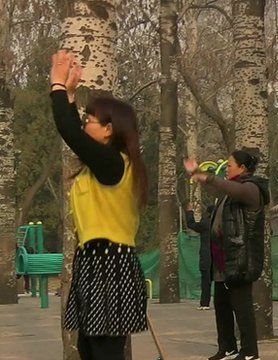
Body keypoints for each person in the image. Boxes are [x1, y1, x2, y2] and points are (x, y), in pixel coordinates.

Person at [51, 50, 148, 360]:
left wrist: (55, 83)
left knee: (104, 351)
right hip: (93, 261)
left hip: (110, 263)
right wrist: (69, 94)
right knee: (89, 348)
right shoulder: (101, 165)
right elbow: (73, 132)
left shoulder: (113, 164)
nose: (83, 126)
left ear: (109, 129)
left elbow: (68, 131)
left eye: (89, 120)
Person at [184, 150, 269, 360]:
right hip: (222, 259)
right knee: (221, 306)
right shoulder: (228, 193)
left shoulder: (252, 188)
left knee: (242, 307)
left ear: (242, 168)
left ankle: (249, 351)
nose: (227, 169)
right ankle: (227, 347)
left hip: (240, 258)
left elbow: (229, 187)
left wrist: (206, 176)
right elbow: (222, 188)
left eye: (230, 165)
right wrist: (198, 175)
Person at [185, 203, 216, 310]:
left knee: (206, 280)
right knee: (222, 281)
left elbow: (191, 224)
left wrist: (190, 211)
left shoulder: (205, 223)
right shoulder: (220, 223)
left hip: (206, 256)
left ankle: (204, 303)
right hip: (220, 256)